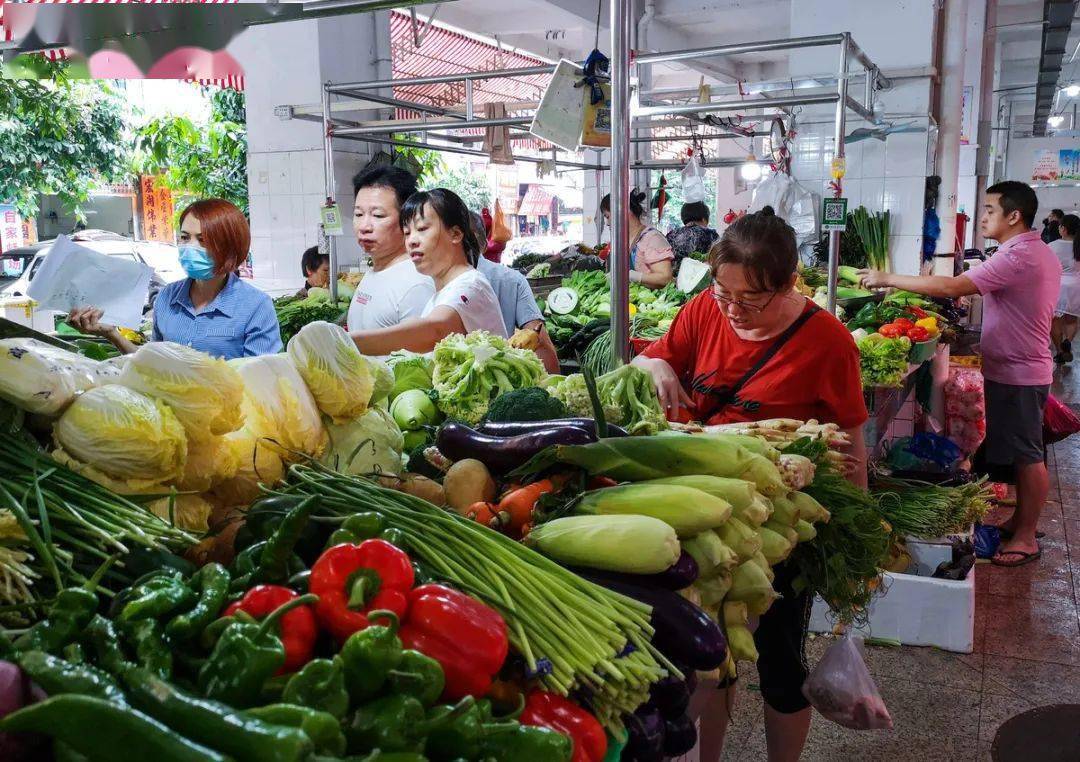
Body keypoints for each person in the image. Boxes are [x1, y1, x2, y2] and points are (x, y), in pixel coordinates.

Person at [633, 208, 868, 762]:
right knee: (715, 657)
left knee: (781, 662)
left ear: (789, 284)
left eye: (751, 300)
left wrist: (859, 530)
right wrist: (654, 364)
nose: (734, 311)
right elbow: (655, 357)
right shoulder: (702, 311)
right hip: (707, 512)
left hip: (780, 524)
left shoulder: (827, 341)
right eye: (724, 294)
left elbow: (852, 443)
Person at [860, 181, 1060, 567]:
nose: (983, 216)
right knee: (1022, 454)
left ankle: (1026, 537)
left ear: (1013, 216)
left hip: (1020, 372)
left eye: (989, 209)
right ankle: (1022, 521)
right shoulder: (1030, 250)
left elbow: (953, 286)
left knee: (1028, 456)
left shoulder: (1019, 256)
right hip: (1017, 368)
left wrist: (887, 278)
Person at [68, 198, 281, 360]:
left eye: (203, 240)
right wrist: (111, 334)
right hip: (171, 414)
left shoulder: (256, 307)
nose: (190, 247)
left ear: (230, 247)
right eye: (185, 237)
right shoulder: (167, 298)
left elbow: (261, 379)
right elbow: (153, 365)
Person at [349, 188, 505, 355]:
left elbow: (434, 331)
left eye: (422, 229)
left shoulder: (471, 285)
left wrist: (343, 342)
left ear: (455, 234)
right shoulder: (442, 290)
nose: (411, 241)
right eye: (407, 233)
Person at [346, 165, 435, 335]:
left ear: (407, 219)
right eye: (358, 214)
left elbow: (420, 358)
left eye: (378, 215)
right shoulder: (376, 270)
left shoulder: (417, 284)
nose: (364, 226)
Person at [468, 212, 560, 373]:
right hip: (502, 375)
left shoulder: (427, 279)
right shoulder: (511, 279)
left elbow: (535, 336)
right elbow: (540, 343)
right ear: (483, 244)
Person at [600, 189, 674, 289]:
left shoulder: (652, 238)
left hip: (649, 301)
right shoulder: (622, 241)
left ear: (623, 211)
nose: (607, 223)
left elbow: (665, 278)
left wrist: (635, 276)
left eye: (608, 216)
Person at [1051, 214, 1080, 363]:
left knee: (1054, 320)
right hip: (1077, 286)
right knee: (1071, 319)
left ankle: (1059, 351)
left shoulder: (1053, 246)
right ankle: (1068, 340)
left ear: (1064, 229)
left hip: (1058, 286)